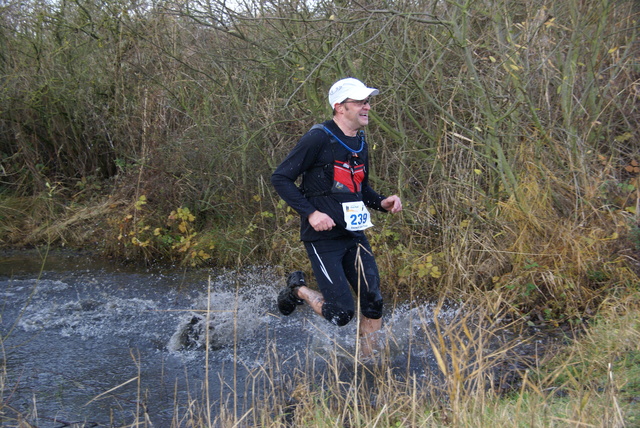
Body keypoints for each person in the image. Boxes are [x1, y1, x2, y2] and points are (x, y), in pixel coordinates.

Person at [271, 77, 402, 356]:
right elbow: (281, 177)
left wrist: (382, 202)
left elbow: (359, 187)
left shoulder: (361, 141)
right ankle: (298, 290)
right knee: (341, 314)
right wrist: (311, 213)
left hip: (354, 233)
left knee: (373, 302)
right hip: (323, 237)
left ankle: (368, 364)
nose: (367, 107)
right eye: (360, 102)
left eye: (368, 101)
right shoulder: (318, 137)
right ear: (340, 107)